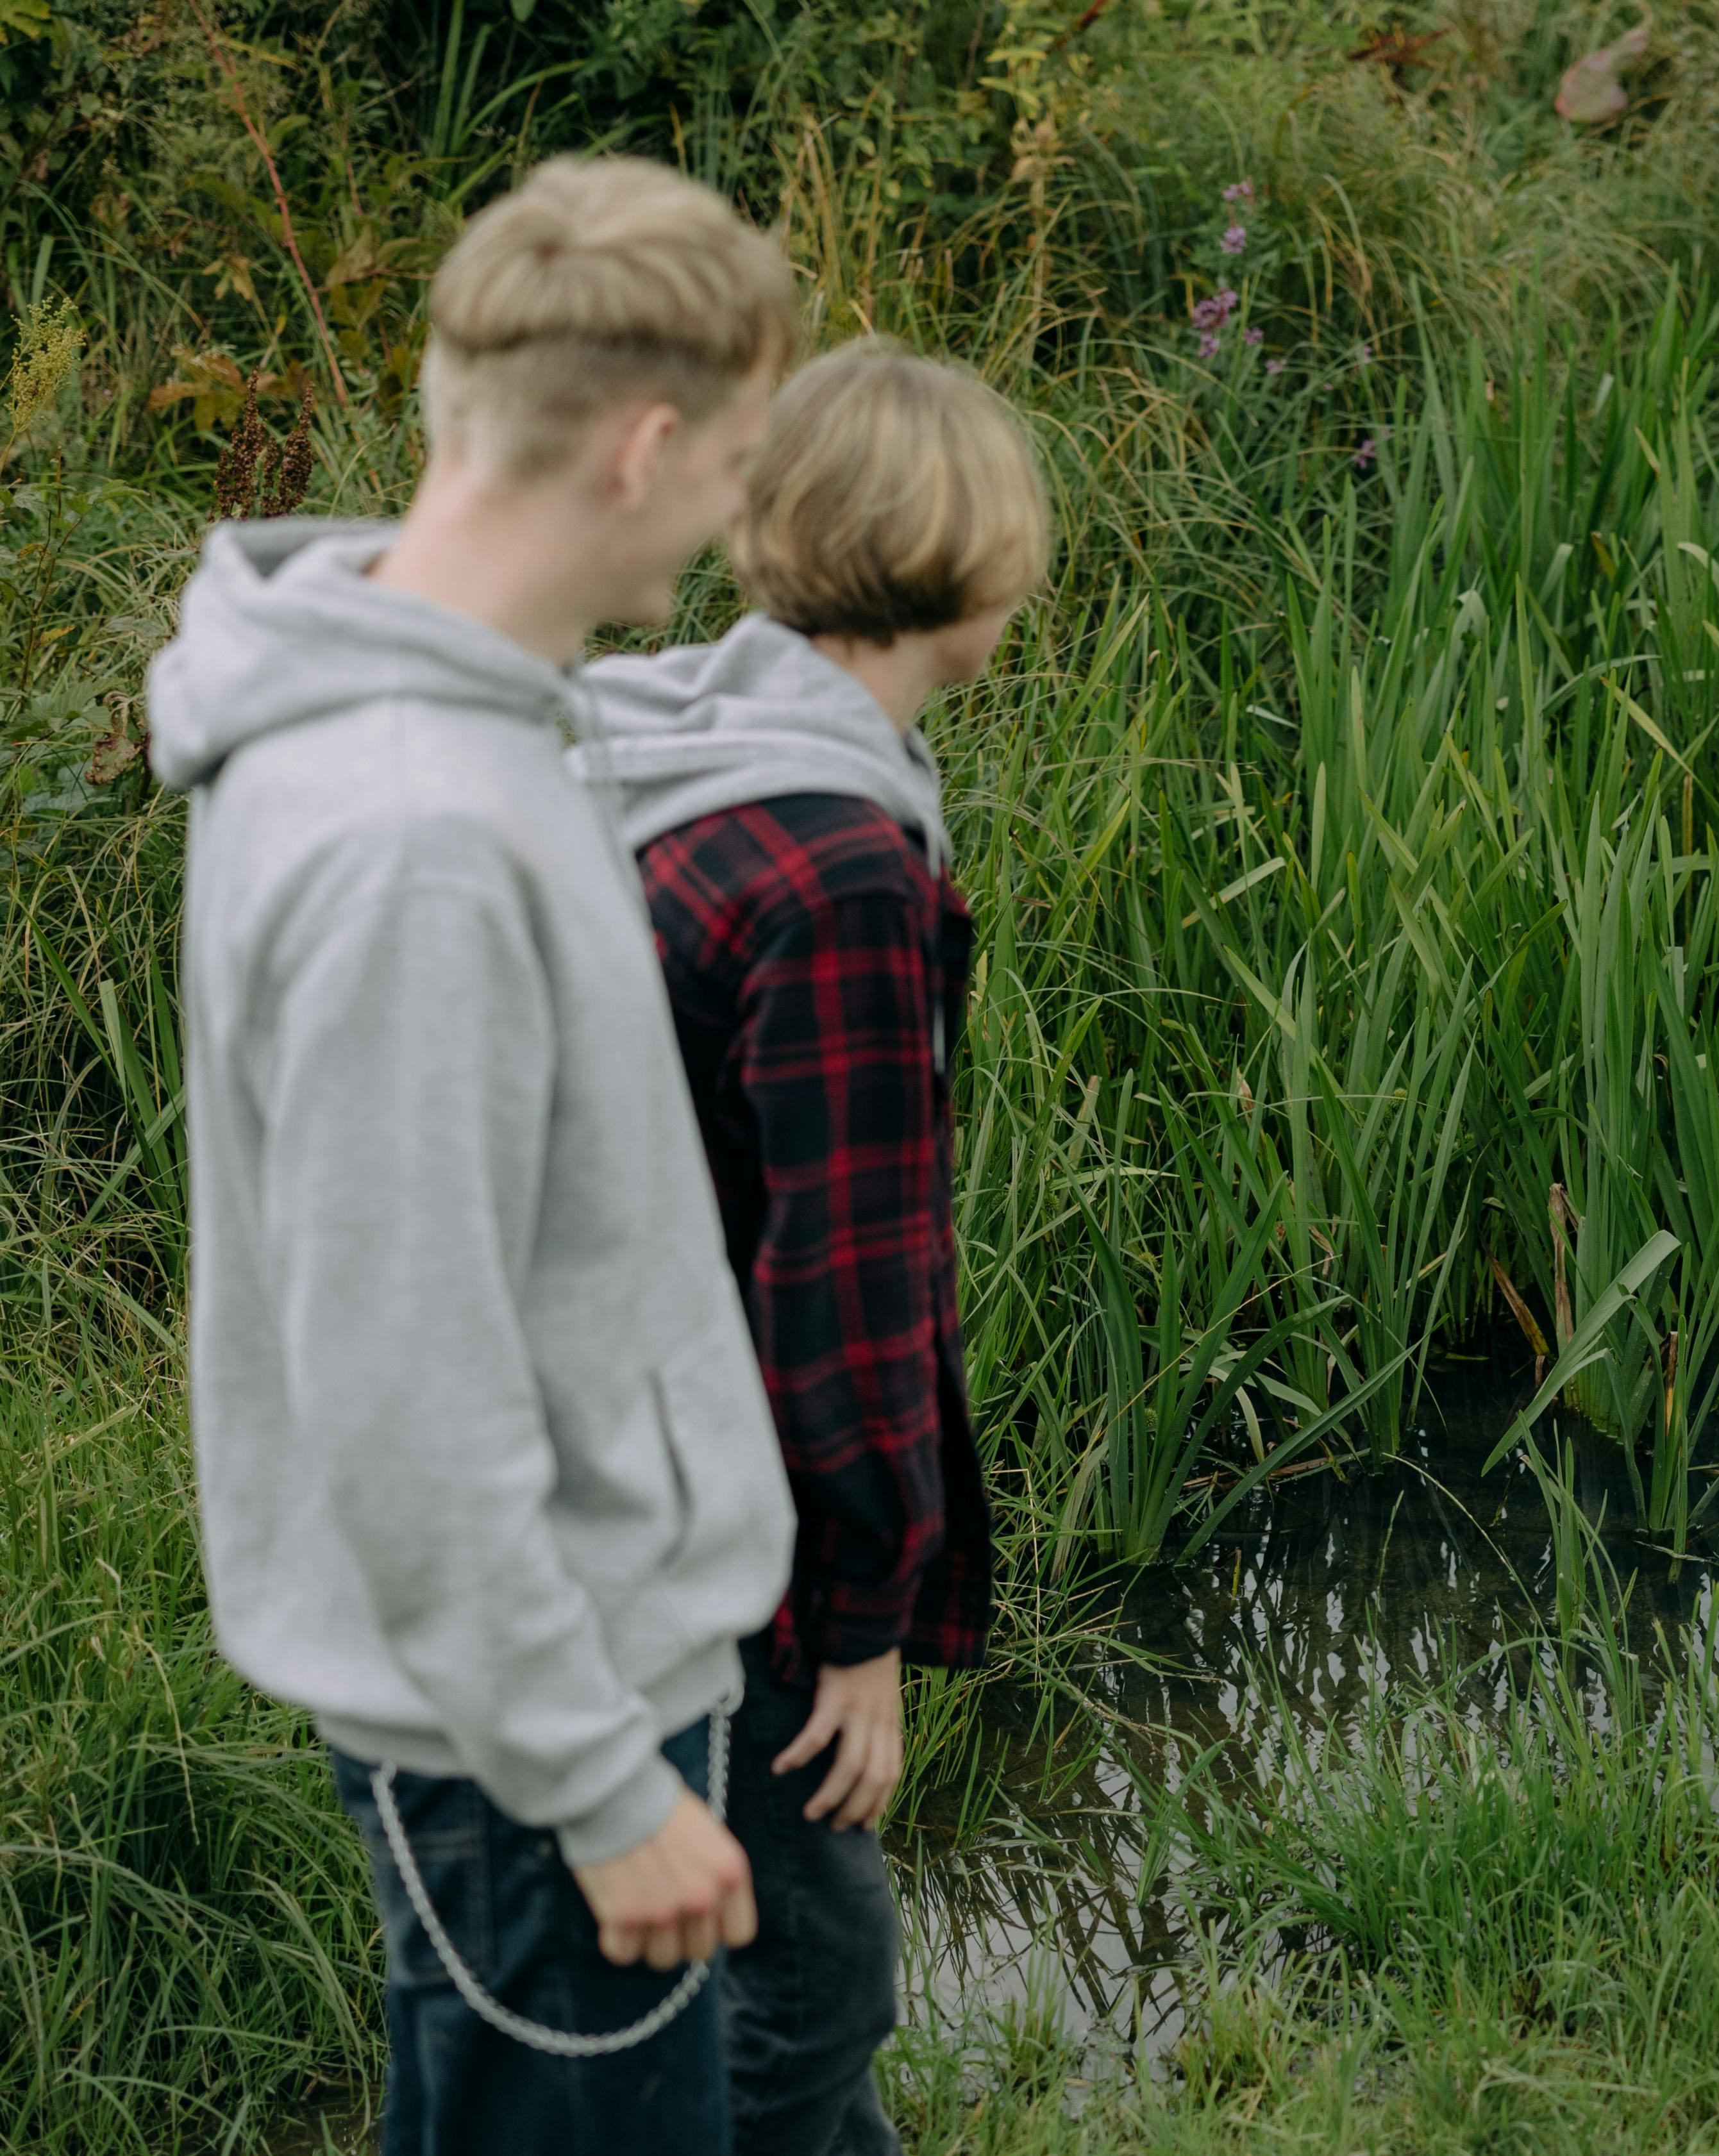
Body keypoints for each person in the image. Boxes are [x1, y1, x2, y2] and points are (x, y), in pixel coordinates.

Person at [143, 158, 802, 2155]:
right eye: (740, 460)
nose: (741, 512)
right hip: (527, 1736)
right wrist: (600, 1784)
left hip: (559, 1677)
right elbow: (405, 1386)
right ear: (647, 444)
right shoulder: (415, 829)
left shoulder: (445, 704)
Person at [578, 340, 1043, 2155]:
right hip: (724, 1528)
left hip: (596, 1457)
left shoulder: (667, 741)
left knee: (716, 1962)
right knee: (812, 1985)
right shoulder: (842, 866)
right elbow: (838, 1292)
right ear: (976, 563)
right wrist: (858, 1630)